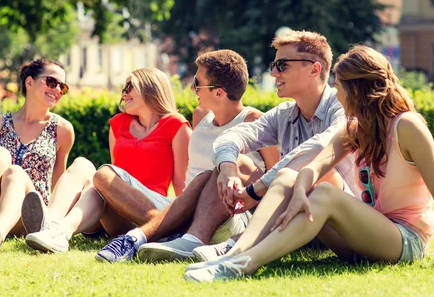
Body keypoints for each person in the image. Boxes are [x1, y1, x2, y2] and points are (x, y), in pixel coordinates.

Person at [184, 45, 434, 282]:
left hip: (405, 239)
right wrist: (300, 188)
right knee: (294, 177)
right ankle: (234, 254)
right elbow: (316, 165)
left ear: (358, 89)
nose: (336, 93)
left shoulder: (407, 127)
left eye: (339, 85)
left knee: (325, 195)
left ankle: (241, 265)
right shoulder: (355, 128)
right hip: (362, 235)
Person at [135, 30, 357, 263]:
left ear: (314, 69)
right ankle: (193, 239)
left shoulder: (342, 108)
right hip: (298, 219)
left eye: (282, 65)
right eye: (273, 64)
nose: (273, 73)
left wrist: (257, 189)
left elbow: (319, 149)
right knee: (232, 163)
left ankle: (232, 245)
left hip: (344, 226)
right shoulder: (284, 115)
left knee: (314, 171)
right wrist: (228, 170)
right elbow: (231, 137)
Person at [94, 49, 279, 262]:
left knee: (225, 165)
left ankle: (149, 235)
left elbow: (275, 183)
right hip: (182, 209)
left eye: (197, 83)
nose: (192, 88)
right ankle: (171, 230)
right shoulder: (200, 116)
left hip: (227, 216)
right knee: (103, 175)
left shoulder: (255, 121)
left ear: (219, 93)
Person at [24, 68, 192, 255]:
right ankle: (51, 224)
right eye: (123, 88)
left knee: (101, 179)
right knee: (82, 164)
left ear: (149, 87)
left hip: (144, 213)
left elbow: (183, 187)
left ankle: (59, 232)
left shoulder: (176, 125)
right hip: (112, 210)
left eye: (129, 86)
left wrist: (184, 228)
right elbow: (116, 176)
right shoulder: (119, 124)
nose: (124, 93)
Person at [0, 59, 77, 251]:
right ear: (29, 82)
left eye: (63, 86)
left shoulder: (63, 130)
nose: (57, 89)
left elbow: (57, 180)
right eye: (52, 82)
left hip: (26, 217)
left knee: (15, 173)